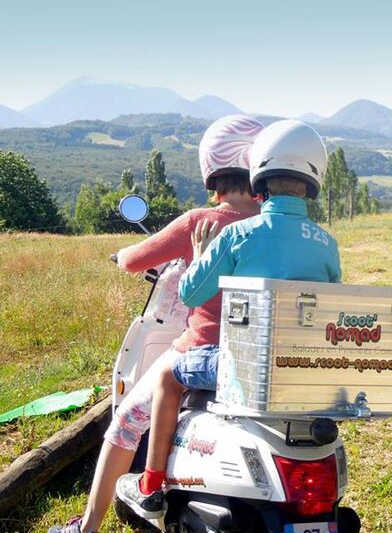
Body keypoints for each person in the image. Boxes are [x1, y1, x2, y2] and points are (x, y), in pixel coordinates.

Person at [114, 119, 341, 518]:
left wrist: (201, 256)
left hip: (241, 363)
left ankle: (150, 484)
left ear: (260, 178)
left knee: (168, 377)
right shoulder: (327, 243)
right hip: (297, 364)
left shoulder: (239, 234)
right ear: (312, 182)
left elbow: (191, 294)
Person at [49, 115, 265, 533]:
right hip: (256, 354)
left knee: (126, 423)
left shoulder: (200, 222)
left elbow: (134, 260)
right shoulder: (270, 225)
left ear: (211, 168)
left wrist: (122, 254)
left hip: (200, 350)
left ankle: (88, 526)